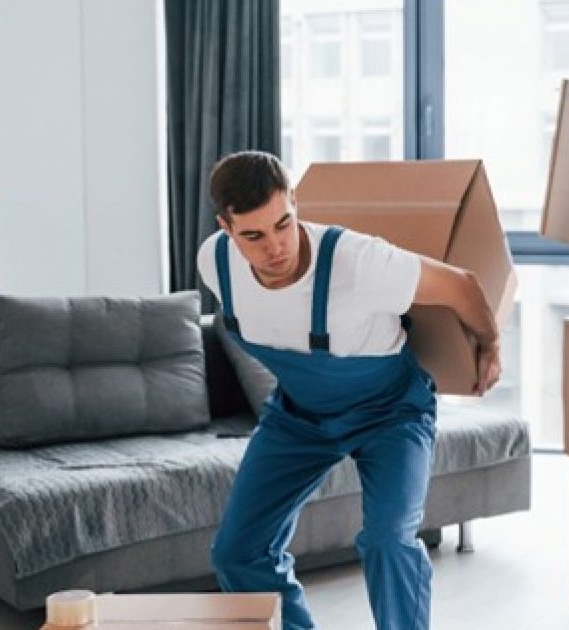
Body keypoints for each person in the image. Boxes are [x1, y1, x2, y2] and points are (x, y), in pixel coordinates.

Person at [197, 150, 502, 630]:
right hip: (300, 415)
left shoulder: (356, 262)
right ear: (226, 228)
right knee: (237, 551)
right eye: (253, 236)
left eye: (283, 224)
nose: (275, 247)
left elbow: (463, 286)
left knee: (388, 540)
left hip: (391, 413)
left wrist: (492, 344)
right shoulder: (214, 263)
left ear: (295, 203)